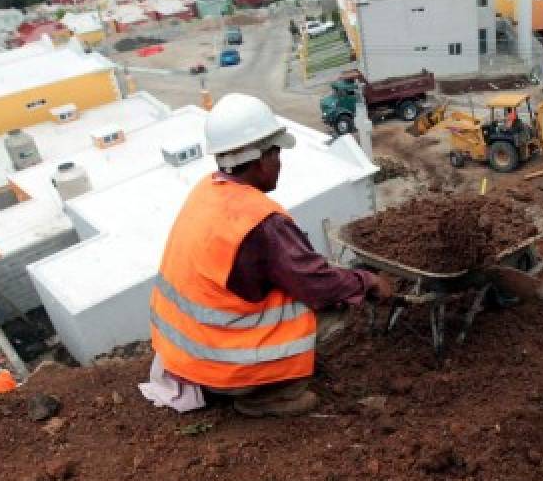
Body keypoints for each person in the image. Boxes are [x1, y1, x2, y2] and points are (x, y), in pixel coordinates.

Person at [144, 94, 392, 418]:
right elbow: (318, 285)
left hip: (182, 357)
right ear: (262, 160)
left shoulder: (207, 192)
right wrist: (369, 281)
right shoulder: (259, 222)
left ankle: (249, 377)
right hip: (221, 365)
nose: (279, 163)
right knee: (334, 301)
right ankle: (268, 394)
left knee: (301, 287)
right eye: (277, 155)